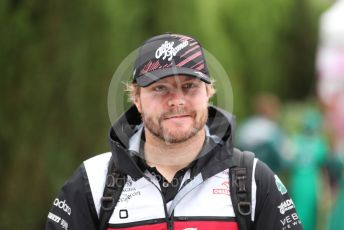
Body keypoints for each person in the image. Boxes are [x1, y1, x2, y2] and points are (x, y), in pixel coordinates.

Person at [45, 33, 303, 230]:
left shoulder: (254, 180)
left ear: (208, 93)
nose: (177, 100)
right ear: (136, 98)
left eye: (189, 85)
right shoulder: (92, 182)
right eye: (160, 88)